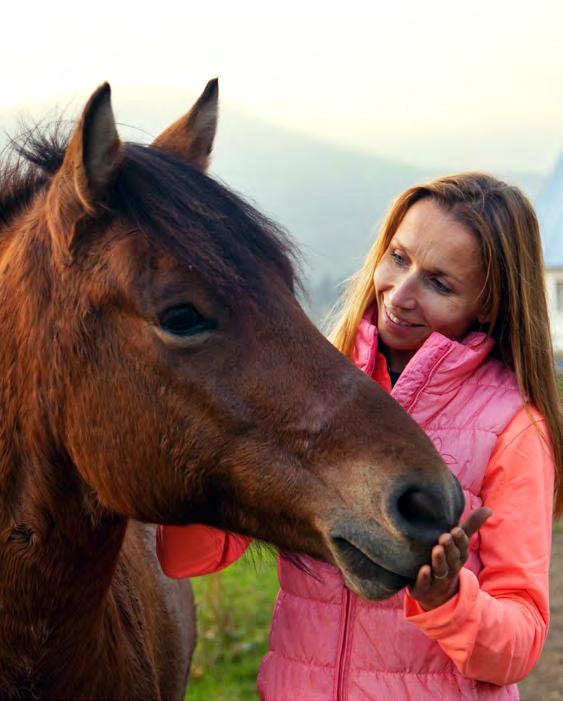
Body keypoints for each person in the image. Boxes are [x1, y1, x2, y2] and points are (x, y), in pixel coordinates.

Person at [157, 173, 562, 700]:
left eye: (440, 283)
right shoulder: (312, 384)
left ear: (488, 304)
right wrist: (203, 467)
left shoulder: (513, 429)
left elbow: (521, 642)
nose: (402, 293)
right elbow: (184, 558)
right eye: (399, 257)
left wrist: (448, 600)